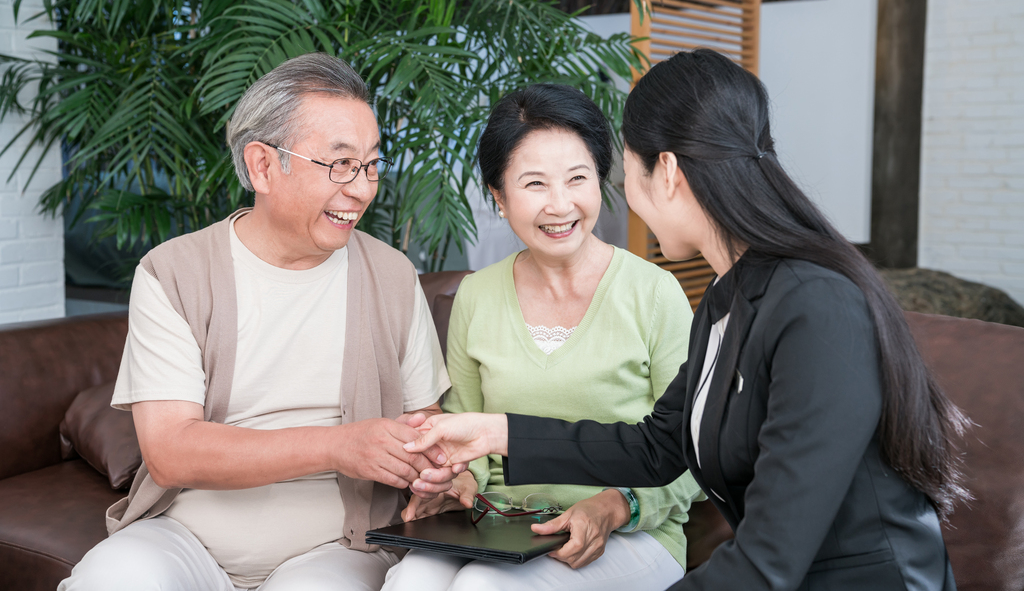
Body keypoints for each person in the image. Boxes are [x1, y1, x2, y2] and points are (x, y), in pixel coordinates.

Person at [406, 49, 968, 591]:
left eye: (622, 171)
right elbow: (656, 447)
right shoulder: (728, 297)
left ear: (667, 172)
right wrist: (493, 432)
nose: (618, 195)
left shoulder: (816, 305)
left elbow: (769, 560)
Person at [59, 53, 453, 591]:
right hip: (185, 539)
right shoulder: (172, 273)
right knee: (110, 580)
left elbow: (424, 431)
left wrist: (436, 474)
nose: (361, 189)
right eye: (339, 164)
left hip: (337, 546)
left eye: (370, 164)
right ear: (263, 165)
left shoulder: (392, 276)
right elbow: (171, 452)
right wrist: (337, 445)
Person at [382, 84, 703, 591]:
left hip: (634, 534)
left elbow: (694, 449)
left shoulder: (655, 293)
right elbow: (472, 440)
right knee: (410, 580)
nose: (560, 204)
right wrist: (455, 482)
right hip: (503, 529)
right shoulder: (476, 296)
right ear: (499, 196)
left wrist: (617, 504)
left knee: (485, 589)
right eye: (534, 184)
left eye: (578, 178)